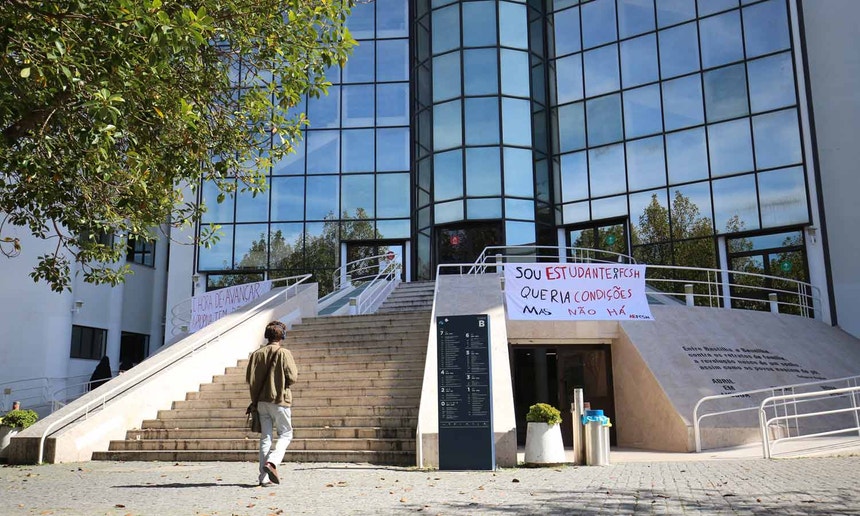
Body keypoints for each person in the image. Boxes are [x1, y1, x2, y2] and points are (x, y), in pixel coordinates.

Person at [246, 320, 298, 486]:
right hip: (279, 399)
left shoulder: (256, 354)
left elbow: (250, 379)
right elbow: (293, 377)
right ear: (282, 336)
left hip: (261, 401)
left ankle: (263, 477)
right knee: (286, 434)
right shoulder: (284, 353)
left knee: (265, 438)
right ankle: (273, 462)